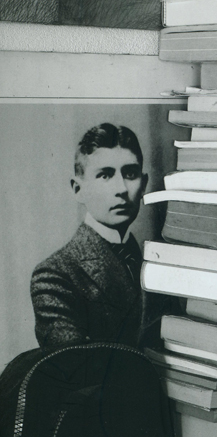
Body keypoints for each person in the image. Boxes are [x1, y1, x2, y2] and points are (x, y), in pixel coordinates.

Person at [31, 122, 164, 349]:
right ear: (78, 189)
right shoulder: (55, 275)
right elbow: (77, 368)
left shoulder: (158, 264)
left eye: (130, 174)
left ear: (143, 185)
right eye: (105, 175)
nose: (121, 188)